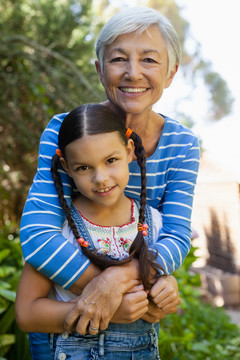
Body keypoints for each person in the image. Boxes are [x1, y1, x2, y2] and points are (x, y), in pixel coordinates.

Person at [19, 5, 199, 357]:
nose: (133, 73)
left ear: (171, 72)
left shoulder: (182, 145)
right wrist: (108, 290)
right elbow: (39, 236)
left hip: (134, 328)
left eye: (149, 60)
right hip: (62, 326)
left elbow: (176, 237)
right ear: (100, 69)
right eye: (119, 59)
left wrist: (119, 282)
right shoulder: (64, 132)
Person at [16, 103, 176, 359]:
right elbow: (26, 314)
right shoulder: (59, 231)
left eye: (111, 160)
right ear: (67, 168)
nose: (100, 178)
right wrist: (109, 310)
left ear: (129, 151)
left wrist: (166, 287)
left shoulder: (154, 224)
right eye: (83, 167)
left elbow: (157, 291)